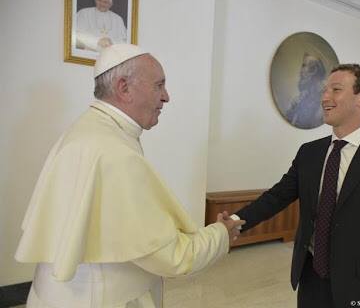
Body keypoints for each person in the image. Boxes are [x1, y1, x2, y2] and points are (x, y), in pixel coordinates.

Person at [15, 44, 245, 308]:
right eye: (159, 85)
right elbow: (173, 257)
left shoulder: (88, 129)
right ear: (124, 88)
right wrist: (221, 234)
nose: (166, 96)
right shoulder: (112, 152)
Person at [233, 64, 360, 307]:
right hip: (311, 280)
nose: (325, 96)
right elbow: (277, 196)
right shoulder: (309, 153)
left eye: (336, 89)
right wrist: (234, 221)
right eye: (325, 90)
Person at [285, 53, 326, 129]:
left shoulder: (322, 98)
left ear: (313, 71)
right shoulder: (301, 96)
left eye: (304, 66)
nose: (301, 70)